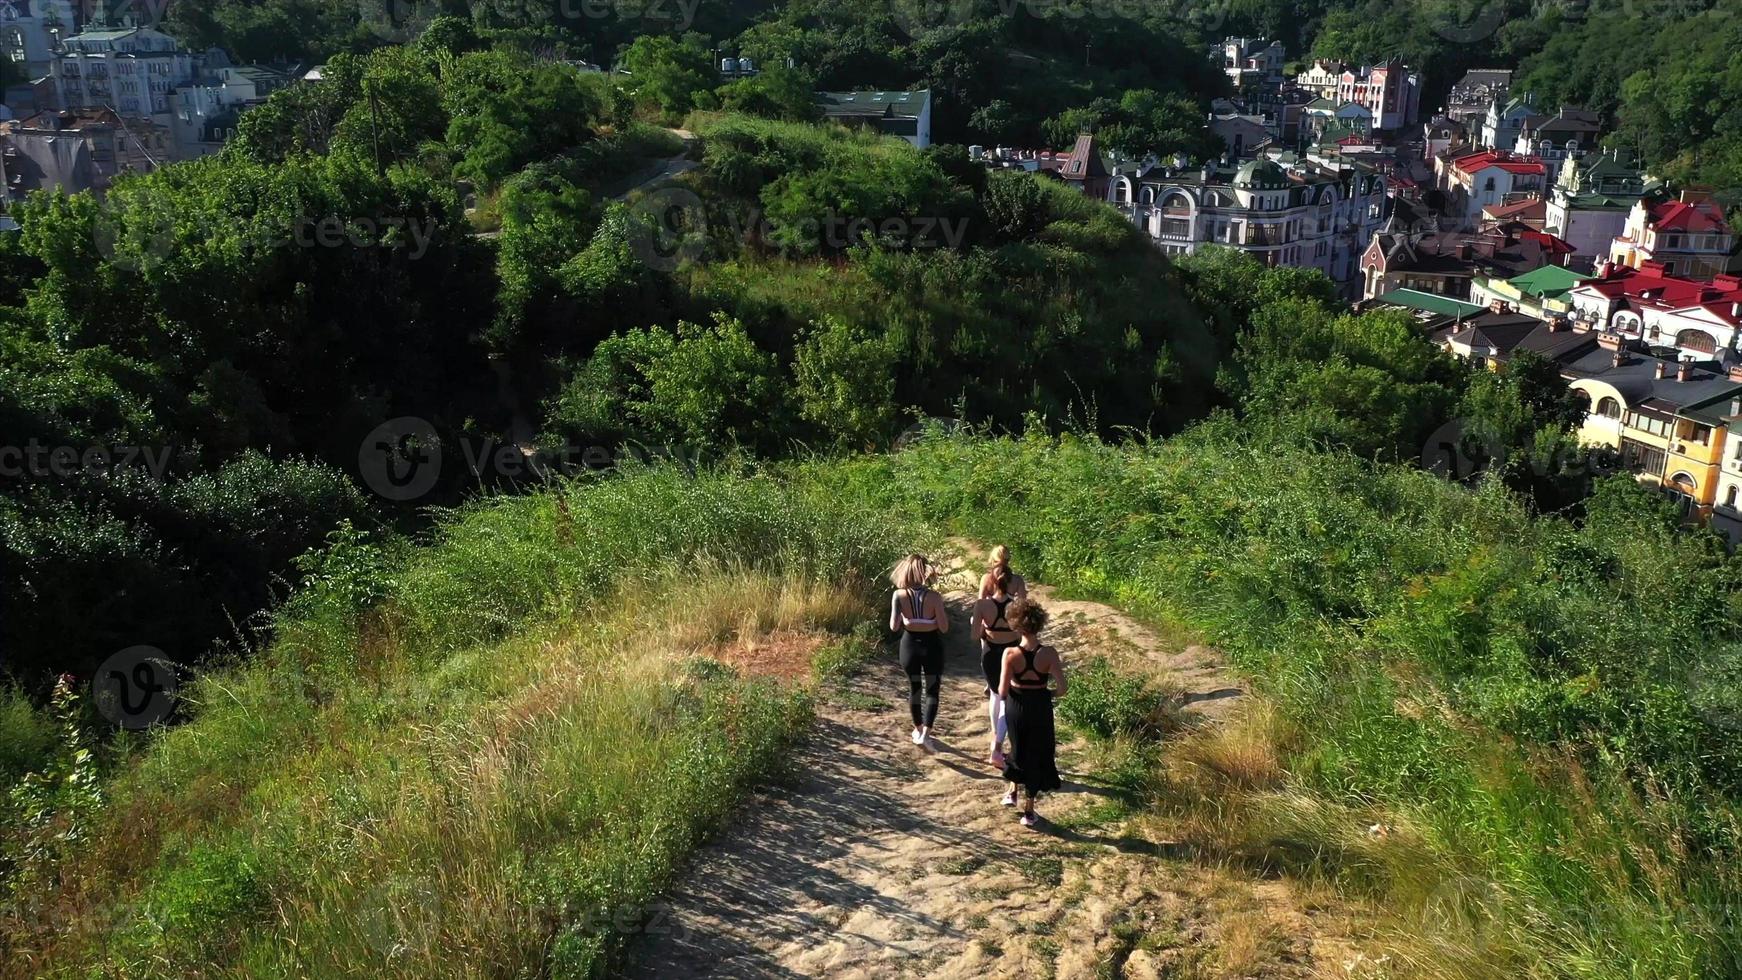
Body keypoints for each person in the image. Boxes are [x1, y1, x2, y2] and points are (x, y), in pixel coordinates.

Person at [998, 596, 1065, 826]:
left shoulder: (1010, 654)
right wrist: (1047, 695)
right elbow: (1062, 688)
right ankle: (1029, 811)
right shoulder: (1049, 653)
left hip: (1016, 706)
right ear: (1039, 623)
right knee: (1037, 754)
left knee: (1017, 748)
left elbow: (1002, 689)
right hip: (1040, 706)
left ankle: (1012, 790)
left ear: (1016, 624)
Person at [889, 554, 948, 746]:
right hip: (932, 646)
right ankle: (926, 734)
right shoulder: (934, 597)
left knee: (914, 687)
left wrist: (909, 620)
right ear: (924, 571)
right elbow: (944, 627)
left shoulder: (898, 595)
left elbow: (894, 626)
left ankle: (918, 728)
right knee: (932, 689)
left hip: (909, 645)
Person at [972, 563, 1021, 769]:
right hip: (1011, 653)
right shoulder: (1018, 606)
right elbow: (1022, 634)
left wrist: (986, 630)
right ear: (1010, 582)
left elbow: (974, 636)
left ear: (991, 581)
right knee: (1008, 697)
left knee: (994, 695)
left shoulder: (981, 605)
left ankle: (995, 738)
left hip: (990, 654)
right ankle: (998, 747)